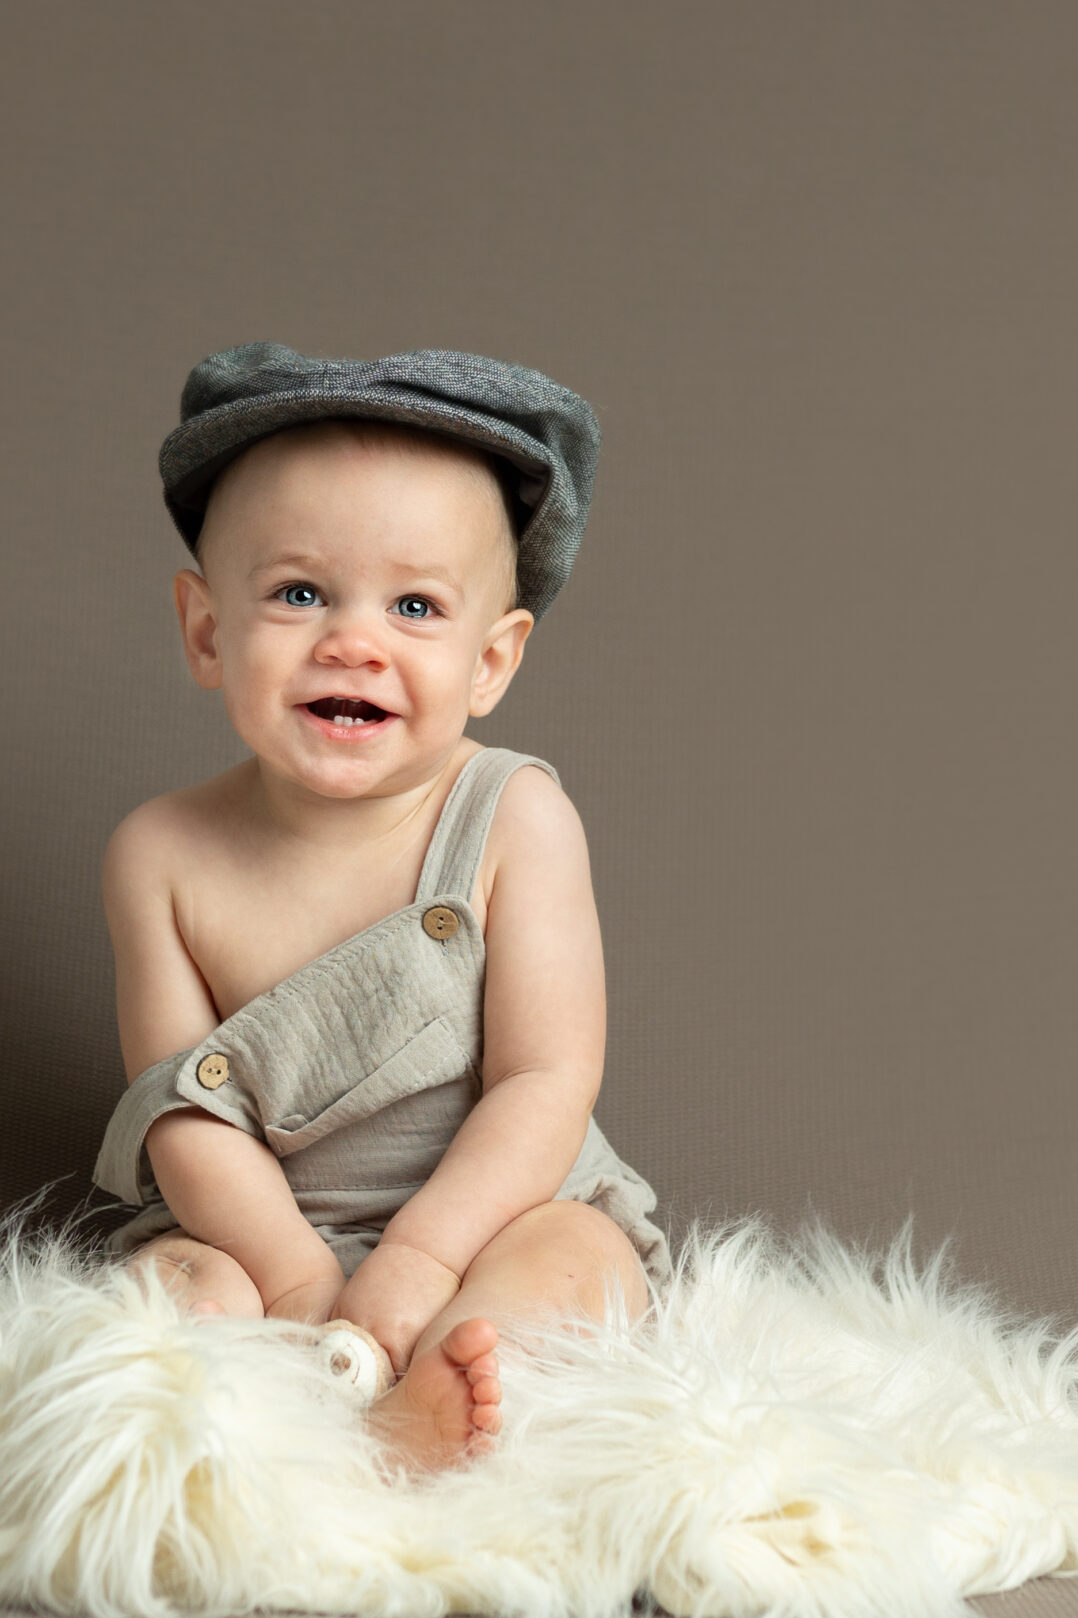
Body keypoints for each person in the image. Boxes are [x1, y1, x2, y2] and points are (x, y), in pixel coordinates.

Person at [92, 343, 671, 1475]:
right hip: (259, 1234)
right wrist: (302, 1281)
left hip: (491, 1213)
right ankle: (230, 1438)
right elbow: (182, 1119)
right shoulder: (159, 854)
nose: (352, 640)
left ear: (490, 662)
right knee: (169, 1295)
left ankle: (440, 1400)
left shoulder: (513, 819)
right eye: (298, 593)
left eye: (415, 606)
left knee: (572, 1267)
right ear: (208, 631)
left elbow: (545, 1081)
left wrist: (417, 1260)